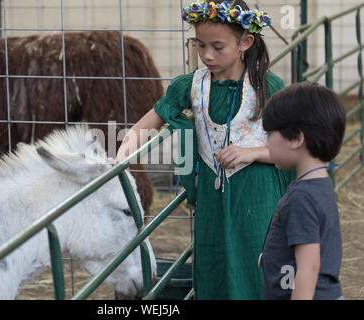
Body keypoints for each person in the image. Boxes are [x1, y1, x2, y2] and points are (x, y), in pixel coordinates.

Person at [116, 0, 294, 299]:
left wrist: (252, 152)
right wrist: (119, 159)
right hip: (212, 199)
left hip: (258, 195)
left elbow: (293, 146)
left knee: (256, 265)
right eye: (200, 45)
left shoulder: (268, 86)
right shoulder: (189, 85)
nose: (207, 55)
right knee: (213, 266)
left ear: (245, 42)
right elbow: (145, 126)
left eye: (217, 46)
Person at [261, 82, 346, 300]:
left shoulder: (302, 197)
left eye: (270, 134)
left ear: (296, 139)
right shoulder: (319, 184)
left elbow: (309, 267)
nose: (266, 143)